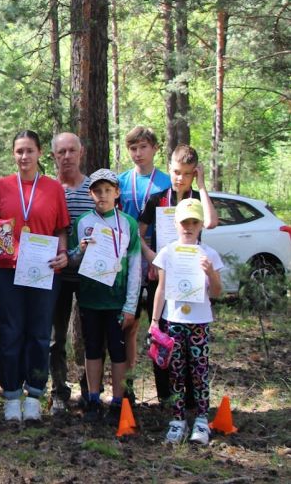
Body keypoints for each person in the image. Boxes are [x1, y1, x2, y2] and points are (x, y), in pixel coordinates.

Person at [0, 130, 70, 423]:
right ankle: (11, 394)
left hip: (44, 271)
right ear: (13, 154)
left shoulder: (53, 188)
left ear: (40, 153)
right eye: (19, 151)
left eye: (30, 150)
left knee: (40, 334)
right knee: (10, 332)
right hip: (7, 272)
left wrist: (63, 253)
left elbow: (61, 229)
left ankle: (34, 394)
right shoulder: (0, 187)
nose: (24, 156)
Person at [137, 144, 217, 404]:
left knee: (190, 338)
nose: (180, 178)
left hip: (191, 279)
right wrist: (153, 258)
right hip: (161, 276)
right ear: (169, 168)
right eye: (175, 171)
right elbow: (139, 234)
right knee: (162, 335)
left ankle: (191, 398)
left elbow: (211, 222)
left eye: (186, 173)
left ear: (194, 173)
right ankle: (166, 396)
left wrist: (202, 185)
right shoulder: (157, 199)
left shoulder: (197, 199)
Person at [68, 169, 141, 425]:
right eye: (98, 191)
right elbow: (72, 258)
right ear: (91, 194)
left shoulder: (128, 224)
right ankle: (93, 398)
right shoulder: (83, 222)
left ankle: (118, 401)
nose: (103, 195)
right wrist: (80, 250)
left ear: (117, 192)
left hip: (117, 300)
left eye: (108, 190)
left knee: (118, 351)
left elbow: (135, 266)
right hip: (90, 298)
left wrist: (131, 305)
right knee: (93, 348)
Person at [150, 198, 223, 444]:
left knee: (200, 371)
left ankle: (201, 419)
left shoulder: (209, 254)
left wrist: (210, 273)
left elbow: (217, 292)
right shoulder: (167, 252)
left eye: (194, 222)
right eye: (184, 222)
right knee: (176, 371)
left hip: (199, 322)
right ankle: (178, 419)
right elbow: (161, 289)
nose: (189, 227)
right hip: (173, 320)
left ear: (201, 225)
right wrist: (154, 320)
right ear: (175, 223)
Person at [116, 126, 170, 401]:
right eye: (133, 148)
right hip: (129, 260)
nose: (138, 153)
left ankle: (166, 392)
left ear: (155, 148)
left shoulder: (167, 182)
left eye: (143, 147)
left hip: (159, 258)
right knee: (129, 324)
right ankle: (128, 388)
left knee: (161, 325)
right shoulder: (121, 181)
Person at [49, 133, 97, 413]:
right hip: (57, 275)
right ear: (53, 156)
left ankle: (91, 391)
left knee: (92, 335)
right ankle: (58, 392)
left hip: (91, 276)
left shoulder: (95, 189)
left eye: (71, 151)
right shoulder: (48, 189)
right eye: (61, 152)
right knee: (55, 338)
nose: (66, 156)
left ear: (81, 153)